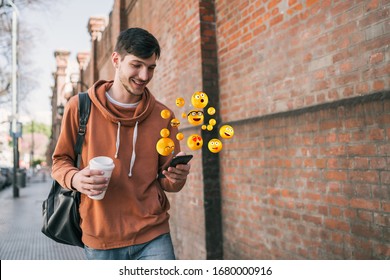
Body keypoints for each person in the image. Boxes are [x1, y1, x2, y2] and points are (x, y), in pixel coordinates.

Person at [51, 27, 190, 260]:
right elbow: (59, 161)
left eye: (151, 67)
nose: (144, 76)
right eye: (136, 65)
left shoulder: (163, 116)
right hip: (100, 237)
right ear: (116, 60)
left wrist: (177, 177)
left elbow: (168, 182)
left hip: (153, 235)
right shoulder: (79, 107)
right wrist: (75, 178)